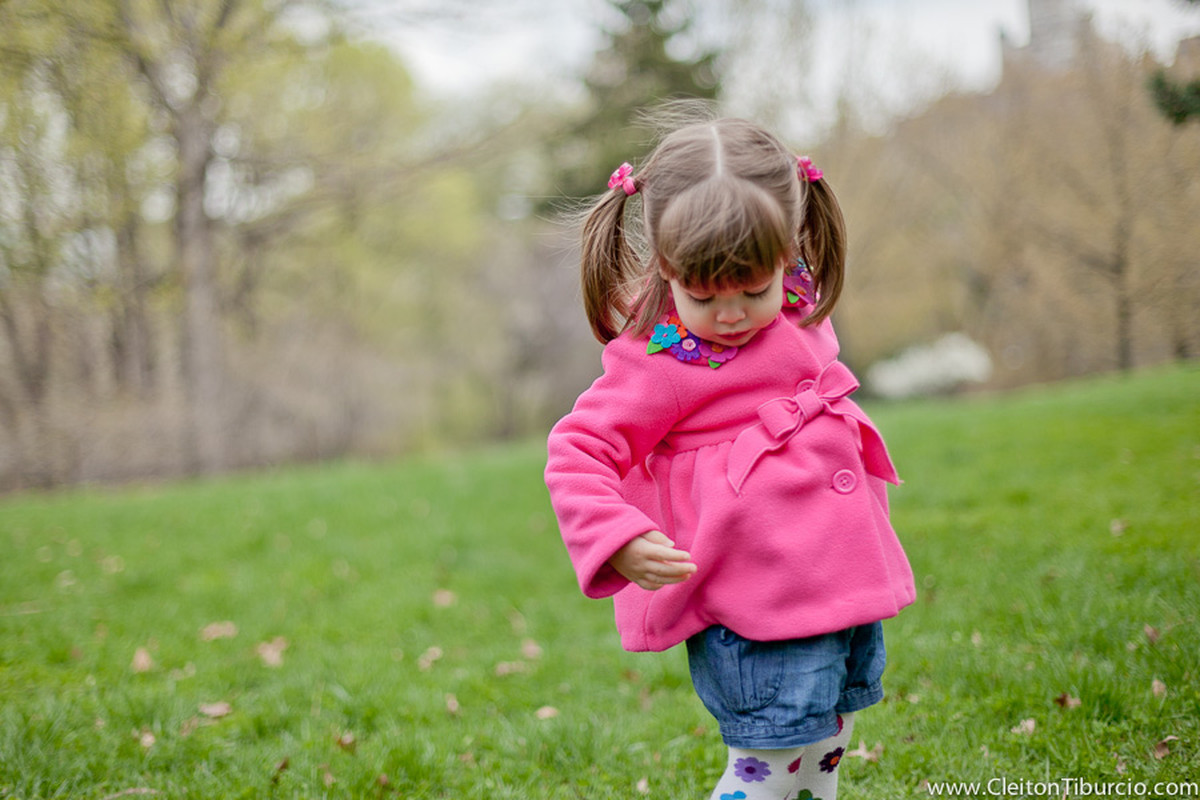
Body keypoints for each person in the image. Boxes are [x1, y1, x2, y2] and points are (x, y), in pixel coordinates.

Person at [544, 112, 915, 800]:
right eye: (706, 295)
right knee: (768, 766)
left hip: (836, 584)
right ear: (665, 265)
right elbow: (577, 450)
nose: (736, 313)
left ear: (787, 250)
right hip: (754, 603)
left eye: (754, 288)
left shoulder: (799, 298)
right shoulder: (659, 361)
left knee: (827, 742)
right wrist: (616, 537)